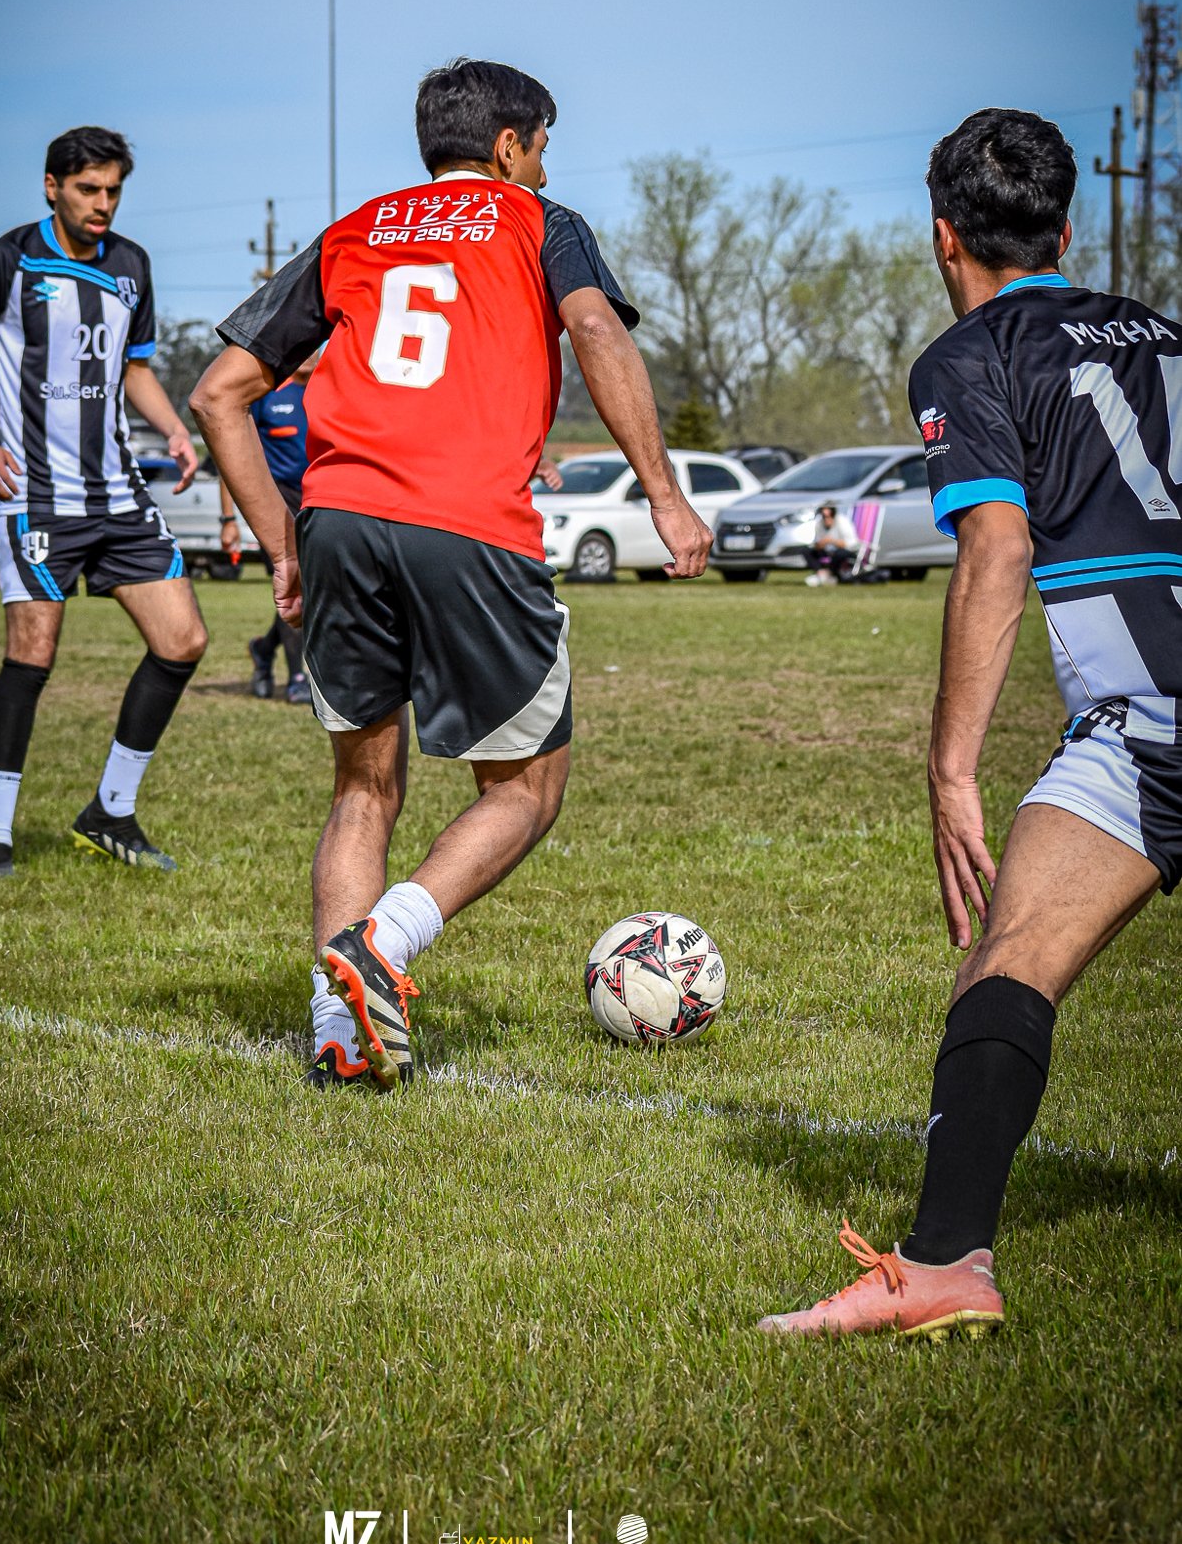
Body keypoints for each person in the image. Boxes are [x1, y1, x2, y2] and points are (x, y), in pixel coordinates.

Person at [191, 58, 712, 1091]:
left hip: (339, 523)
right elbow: (595, 327)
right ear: (510, 147)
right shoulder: (539, 220)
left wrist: (284, 547)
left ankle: (338, 1031)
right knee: (526, 787)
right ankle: (381, 942)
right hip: (467, 521)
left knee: (362, 787)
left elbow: (218, 394)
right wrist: (663, 493)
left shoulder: (355, 229)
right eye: (543, 146)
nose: (545, 165)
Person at [759, 106, 1181, 1339]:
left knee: (1009, 961)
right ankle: (941, 1259)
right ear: (1067, 228)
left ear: (943, 235)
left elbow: (996, 547)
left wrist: (950, 769)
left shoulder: (971, 352)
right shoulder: (1165, 334)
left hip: (1143, 717)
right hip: (1135, 724)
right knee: (1005, 956)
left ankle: (947, 1264)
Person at [0, 126, 208, 879]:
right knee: (33, 652)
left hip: (117, 494)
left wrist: (175, 430)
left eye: (113, 190)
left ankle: (110, 812)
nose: (102, 203)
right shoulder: (9, 259)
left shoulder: (131, 264)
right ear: (52, 187)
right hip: (37, 496)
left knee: (182, 640)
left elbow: (135, 370)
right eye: (88, 189)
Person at [218, 355, 316, 704]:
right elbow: (232, 456)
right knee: (296, 583)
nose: (314, 352)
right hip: (276, 504)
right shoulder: (266, 393)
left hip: (319, 501)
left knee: (315, 590)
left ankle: (263, 649)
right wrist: (228, 520)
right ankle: (297, 678)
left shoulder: (329, 389)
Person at [804, 500, 859, 584]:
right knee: (806, 550)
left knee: (839, 553)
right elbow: (817, 544)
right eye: (824, 516)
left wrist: (832, 541)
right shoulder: (819, 524)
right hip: (828, 552)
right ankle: (821, 574)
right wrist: (821, 544)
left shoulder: (842, 522)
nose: (826, 518)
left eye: (829, 515)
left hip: (844, 552)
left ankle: (829, 574)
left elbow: (851, 544)